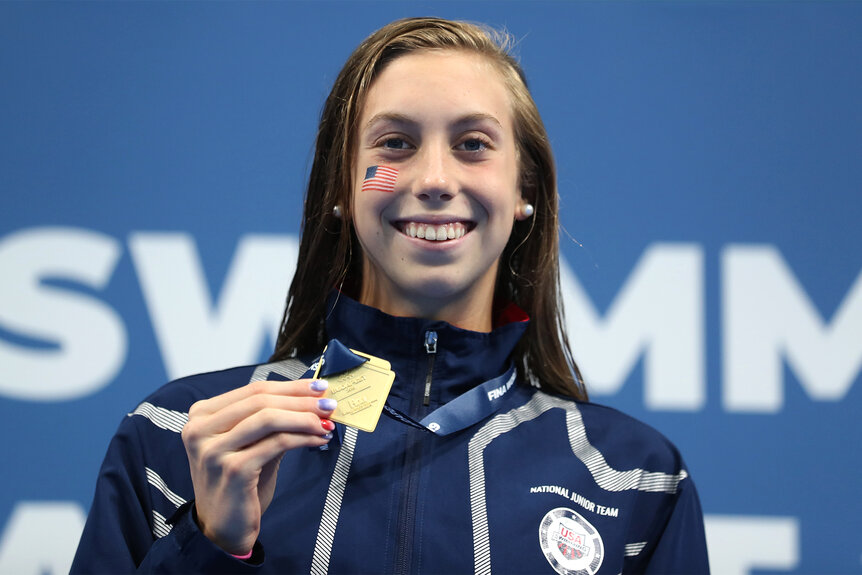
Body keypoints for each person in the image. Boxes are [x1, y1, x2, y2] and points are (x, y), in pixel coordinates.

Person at [71, 17, 709, 574]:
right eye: (394, 144)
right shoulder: (185, 435)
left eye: (473, 145)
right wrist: (213, 548)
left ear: (524, 191)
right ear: (344, 187)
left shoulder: (636, 478)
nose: (433, 179)